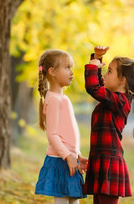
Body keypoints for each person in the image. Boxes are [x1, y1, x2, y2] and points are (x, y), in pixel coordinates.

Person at [83, 46, 134, 204]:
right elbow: (98, 87)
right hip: (101, 160)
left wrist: (93, 64)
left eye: (109, 71)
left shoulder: (121, 101)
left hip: (109, 164)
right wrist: (97, 58)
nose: (104, 74)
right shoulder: (112, 99)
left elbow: (94, 88)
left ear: (123, 80)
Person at [35, 49, 88, 204]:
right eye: (67, 68)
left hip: (69, 158)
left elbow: (67, 133)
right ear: (52, 71)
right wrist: (68, 156)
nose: (71, 72)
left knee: (74, 201)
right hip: (60, 161)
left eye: (71, 68)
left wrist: (77, 154)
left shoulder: (62, 98)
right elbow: (53, 135)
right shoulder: (53, 100)